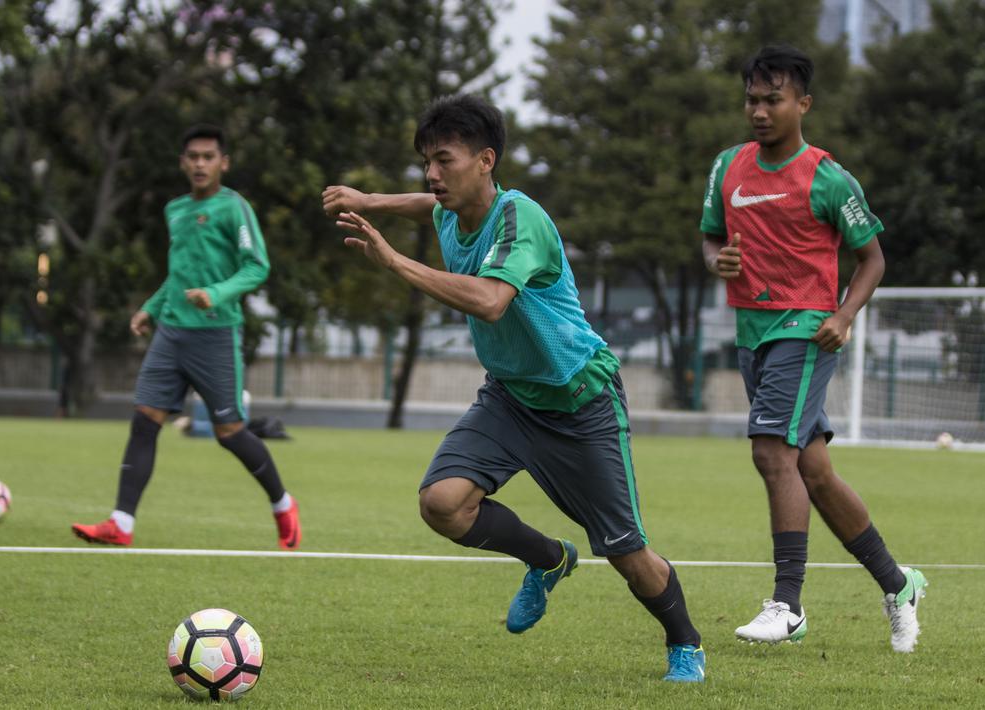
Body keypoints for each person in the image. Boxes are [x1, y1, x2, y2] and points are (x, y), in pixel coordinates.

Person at [323, 94, 705, 682]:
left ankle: (685, 642)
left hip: (580, 401)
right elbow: (426, 204)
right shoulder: (451, 208)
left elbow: (490, 301)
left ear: (485, 161)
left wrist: (394, 262)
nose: (432, 174)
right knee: (442, 504)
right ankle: (548, 559)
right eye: (426, 159)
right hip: (509, 396)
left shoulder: (519, 218)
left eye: (444, 159)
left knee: (630, 556)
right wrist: (369, 200)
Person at [700, 45, 927, 652]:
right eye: (752, 99)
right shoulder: (727, 168)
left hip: (805, 330)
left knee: (771, 452)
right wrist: (716, 261)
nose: (760, 111)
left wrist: (845, 315)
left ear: (803, 103)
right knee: (814, 471)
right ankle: (899, 584)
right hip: (752, 332)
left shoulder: (828, 177)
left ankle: (788, 605)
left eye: (773, 99)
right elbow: (710, 238)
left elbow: (872, 258)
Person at [72, 125, 300, 550]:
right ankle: (121, 524)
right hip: (170, 332)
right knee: (144, 421)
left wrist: (213, 294)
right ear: (183, 162)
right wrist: (152, 307)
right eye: (192, 156)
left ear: (223, 163)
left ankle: (283, 504)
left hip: (215, 334)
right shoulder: (175, 210)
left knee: (230, 432)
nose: (199, 163)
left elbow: (256, 267)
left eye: (208, 156)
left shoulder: (235, 209)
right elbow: (178, 276)